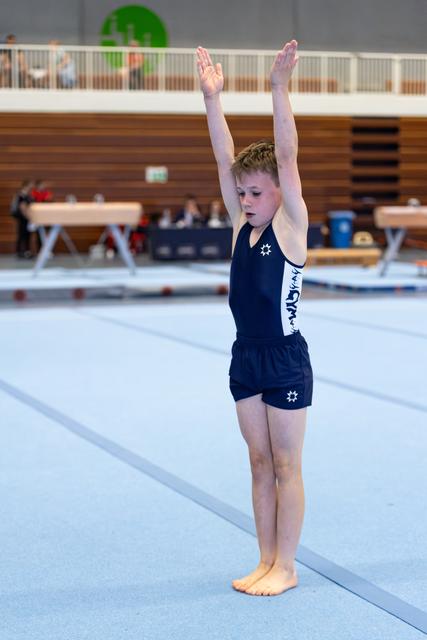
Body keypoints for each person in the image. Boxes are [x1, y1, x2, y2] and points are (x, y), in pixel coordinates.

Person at [197, 40, 313, 597]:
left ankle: (287, 567)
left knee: (287, 465)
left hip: (286, 358)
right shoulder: (242, 227)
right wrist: (211, 100)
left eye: (254, 192)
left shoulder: (291, 227)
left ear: (278, 194)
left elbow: (286, 158)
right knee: (258, 460)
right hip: (245, 354)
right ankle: (266, 559)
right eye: (240, 192)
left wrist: (278, 87)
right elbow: (225, 158)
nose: (243, 199)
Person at [10, 179, 34, 258]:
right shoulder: (22, 195)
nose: (32, 186)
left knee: (27, 235)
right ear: (26, 186)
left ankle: (26, 251)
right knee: (22, 234)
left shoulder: (28, 195)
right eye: (30, 185)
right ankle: (20, 251)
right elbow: (22, 207)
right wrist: (28, 217)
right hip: (23, 218)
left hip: (26, 218)